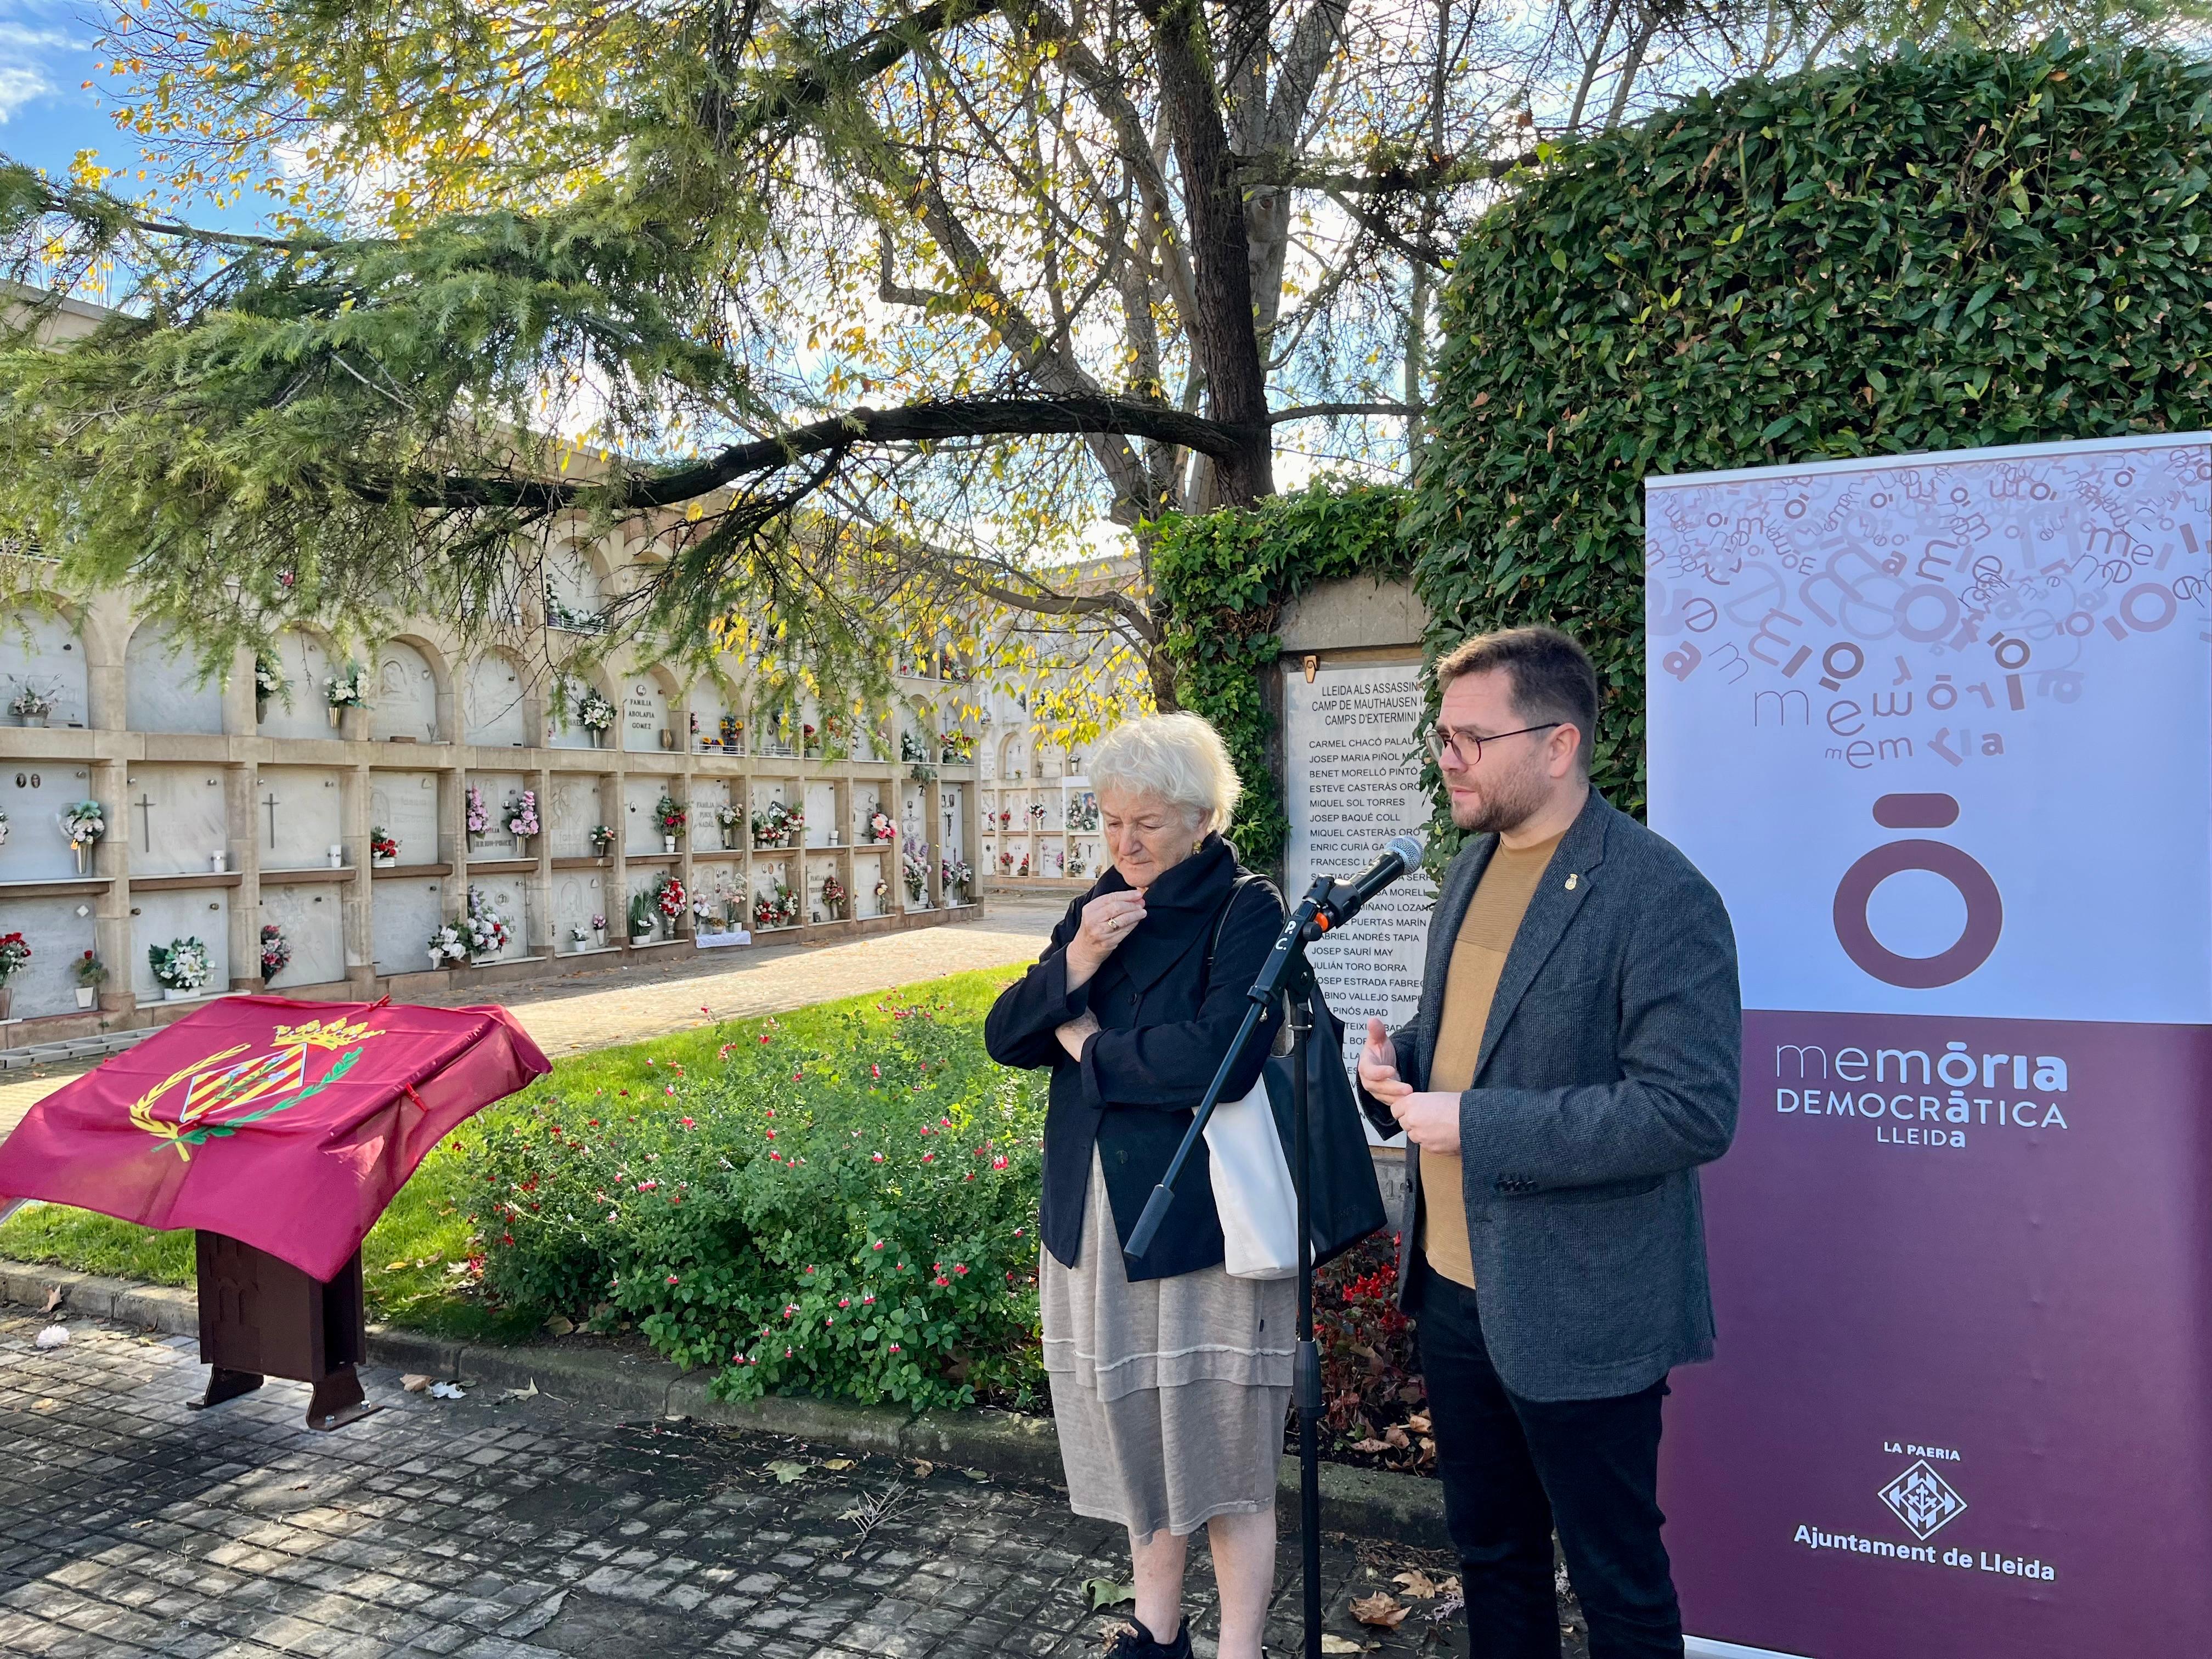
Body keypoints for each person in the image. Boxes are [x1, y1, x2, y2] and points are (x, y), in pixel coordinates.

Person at [1356, 626, 1740, 1659]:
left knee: (1618, 1581)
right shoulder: (1471, 868)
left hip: (1583, 1303)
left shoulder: (1659, 894)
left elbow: (1690, 1109)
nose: (1448, 758)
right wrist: (1400, 1067)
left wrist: (1473, 1123)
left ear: (1560, 744)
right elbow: (1480, 1036)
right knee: (1493, 1557)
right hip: (1453, 1288)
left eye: (1472, 739)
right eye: (1443, 736)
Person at [985, 712, 1289, 1659]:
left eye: (1148, 823)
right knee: (1137, 1443)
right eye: (1112, 821)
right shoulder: (1100, 905)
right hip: (1093, 1216)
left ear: (1201, 817)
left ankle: (1240, 1649)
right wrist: (1077, 962)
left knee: (1224, 1451)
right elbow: (1007, 1036)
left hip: (1201, 1224)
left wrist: (1090, 1049)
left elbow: (1222, 1058)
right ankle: (1157, 1634)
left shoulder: (1248, 909)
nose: (1126, 843)